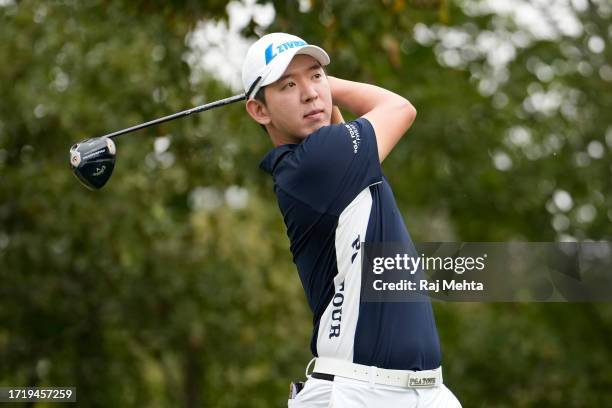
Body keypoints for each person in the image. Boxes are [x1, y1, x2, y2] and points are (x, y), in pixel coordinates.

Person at [241, 32, 461, 408]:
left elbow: (338, 126)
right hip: (360, 392)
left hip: (426, 391)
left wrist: (316, 88)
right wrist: (330, 84)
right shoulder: (316, 163)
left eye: (315, 76)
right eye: (288, 85)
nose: (309, 93)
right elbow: (399, 108)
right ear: (260, 111)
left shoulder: (334, 162)